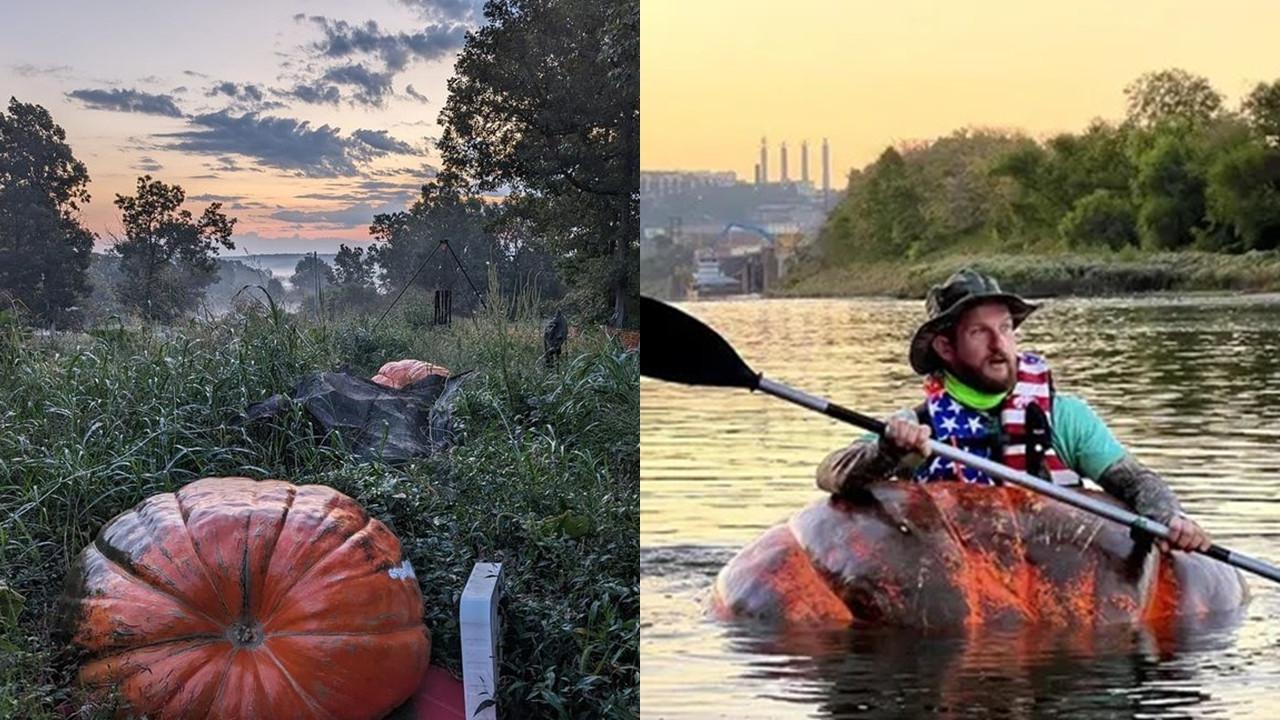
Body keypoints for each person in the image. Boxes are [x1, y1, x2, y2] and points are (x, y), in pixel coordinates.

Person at [816, 268, 1211, 553]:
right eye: (979, 332)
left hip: (1058, 583)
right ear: (945, 348)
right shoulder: (916, 427)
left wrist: (1168, 517)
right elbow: (831, 473)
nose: (999, 345)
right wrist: (887, 451)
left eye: (1005, 329)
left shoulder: (1065, 416)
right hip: (960, 593)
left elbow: (1138, 482)